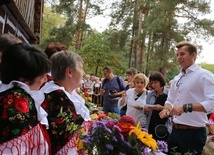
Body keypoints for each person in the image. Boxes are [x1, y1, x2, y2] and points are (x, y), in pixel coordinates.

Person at [159, 41, 214, 155]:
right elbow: (170, 100)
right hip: (175, 131)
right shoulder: (177, 78)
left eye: (182, 54)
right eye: (177, 55)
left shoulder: (204, 75)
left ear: (193, 55)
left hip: (194, 133)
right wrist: (166, 109)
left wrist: (186, 107)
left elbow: (212, 103)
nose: (179, 57)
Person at [0, 43, 51, 154]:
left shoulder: (7, 95)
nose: (45, 80)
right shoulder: (17, 103)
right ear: (23, 80)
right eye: (42, 76)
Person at [40, 51, 91, 154]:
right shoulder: (57, 97)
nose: (84, 73)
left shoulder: (65, 94)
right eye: (81, 68)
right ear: (69, 72)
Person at [145, 71, 170, 141]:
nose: (153, 85)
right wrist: (146, 109)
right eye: (152, 83)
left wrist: (161, 108)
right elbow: (146, 106)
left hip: (164, 125)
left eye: (155, 82)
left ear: (160, 81)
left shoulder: (169, 93)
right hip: (151, 123)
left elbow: (173, 111)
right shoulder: (150, 94)